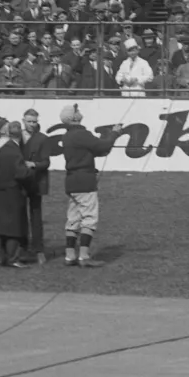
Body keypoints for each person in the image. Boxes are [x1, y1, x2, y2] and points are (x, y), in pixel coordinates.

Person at [57, 102, 118, 267]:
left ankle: (70, 255)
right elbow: (102, 146)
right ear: (74, 117)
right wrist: (114, 134)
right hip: (85, 180)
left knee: (73, 218)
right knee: (89, 217)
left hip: (71, 180)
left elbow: (94, 150)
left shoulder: (68, 135)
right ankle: (84, 255)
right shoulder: (81, 134)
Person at [0, 112, 34, 267]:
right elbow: (21, 173)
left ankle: (2, 257)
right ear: (20, 135)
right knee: (14, 228)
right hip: (13, 193)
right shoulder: (15, 152)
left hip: (0, 192)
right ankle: (13, 258)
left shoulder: (2, 149)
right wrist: (30, 169)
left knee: (2, 228)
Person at [21, 108, 54, 265]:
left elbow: (46, 162)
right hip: (20, 181)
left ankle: (38, 249)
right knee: (20, 216)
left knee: (36, 216)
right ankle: (22, 248)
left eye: (34, 122)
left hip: (36, 181)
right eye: (29, 121)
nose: (32, 124)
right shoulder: (17, 136)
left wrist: (33, 164)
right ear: (23, 121)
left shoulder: (43, 139)